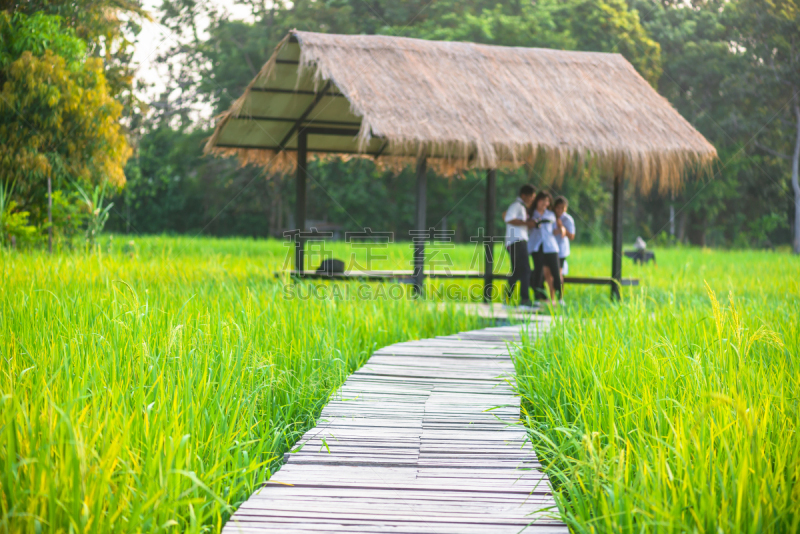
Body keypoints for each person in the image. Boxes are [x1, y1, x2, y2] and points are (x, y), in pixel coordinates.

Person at [527, 191, 562, 305]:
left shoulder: (550, 214)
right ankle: (538, 298)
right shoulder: (531, 214)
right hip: (536, 246)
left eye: (547, 201)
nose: (545, 203)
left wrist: (561, 230)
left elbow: (554, 230)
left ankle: (560, 298)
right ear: (537, 200)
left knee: (556, 273)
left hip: (550, 246)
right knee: (538, 272)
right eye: (543, 200)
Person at [504, 185, 535, 307]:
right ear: (524, 195)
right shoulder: (516, 206)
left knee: (517, 272)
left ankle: (507, 299)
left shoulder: (521, 207)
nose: (532, 200)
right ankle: (524, 299)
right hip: (516, 241)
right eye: (531, 197)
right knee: (525, 270)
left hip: (518, 241)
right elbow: (508, 218)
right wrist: (527, 223)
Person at [553, 196, 575, 285]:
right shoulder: (550, 216)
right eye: (558, 208)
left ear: (566, 208)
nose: (560, 210)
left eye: (562, 208)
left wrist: (562, 228)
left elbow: (572, 236)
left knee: (559, 272)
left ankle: (560, 297)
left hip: (562, 249)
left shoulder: (568, 219)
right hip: (550, 248)